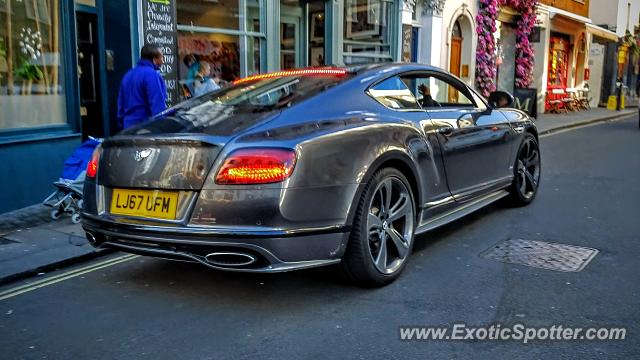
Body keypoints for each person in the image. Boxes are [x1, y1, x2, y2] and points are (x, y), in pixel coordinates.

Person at [117, 44, 167, 129]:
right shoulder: (152, 75)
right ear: (154, 59)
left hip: (128, 127)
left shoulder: (128, 74)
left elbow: (120, 104)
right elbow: (157, 105)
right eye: (161, 57)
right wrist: (162, 126)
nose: (163, 61)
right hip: (145, 127)